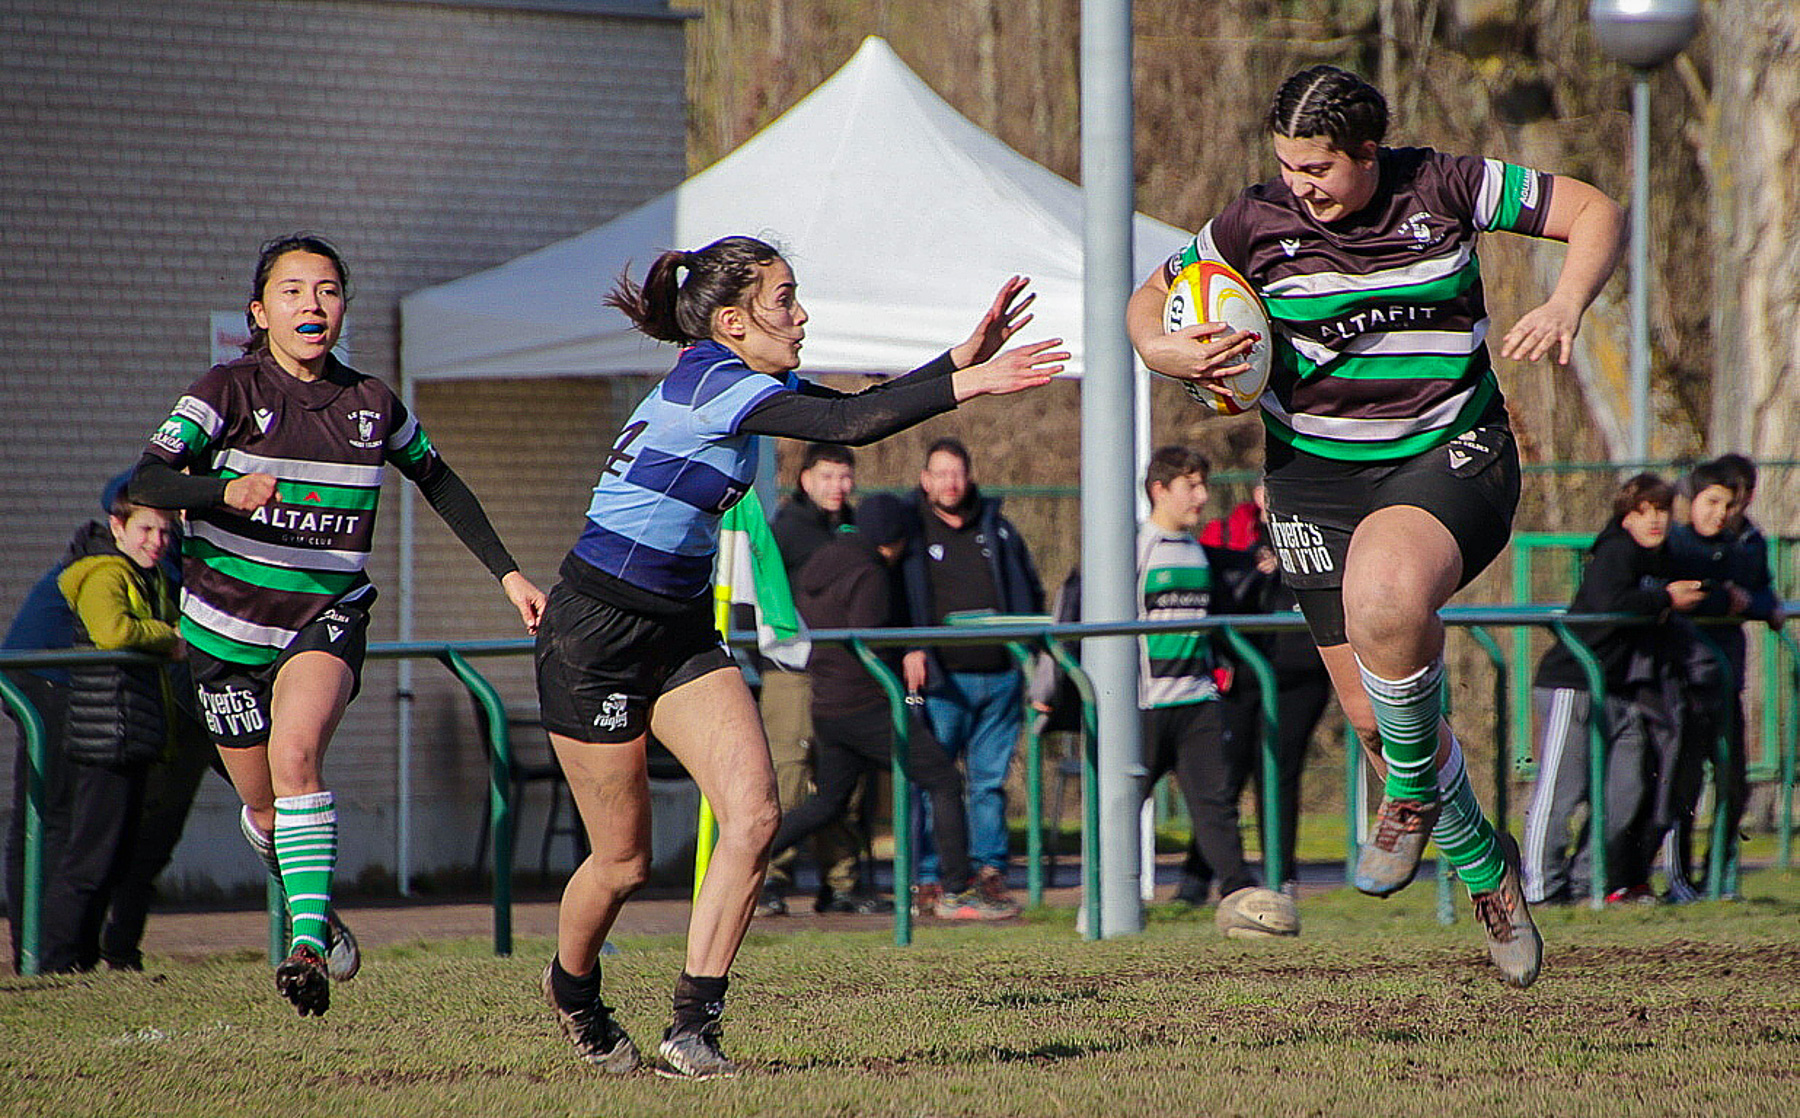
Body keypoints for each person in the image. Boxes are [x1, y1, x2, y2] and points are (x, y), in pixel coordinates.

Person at [1127, 64, 1625, 987]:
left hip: (1449, 452)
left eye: (1317, 168)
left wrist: (1565, 302)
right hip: (1312, 484)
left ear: (1368, 153)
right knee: (1377, 717)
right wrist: (1164, 347)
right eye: (1285, 166)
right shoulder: (1250, 223)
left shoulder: (1443, 185)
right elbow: (1150, 299)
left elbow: (1594, 209)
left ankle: (1403, 799)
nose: (1299, 186)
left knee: (1387, 600)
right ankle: (1487, 868)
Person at [532, 236, 1061, 1079]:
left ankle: (691, 1027)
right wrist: (973, 384)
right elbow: (849, 425)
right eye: (786, 300)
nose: (803, 314)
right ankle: (574, 989)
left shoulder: (746, 384)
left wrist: (961, 355)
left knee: (754, 816)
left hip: (674, 632)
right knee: (623, 860)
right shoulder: (712, 383)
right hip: (592, 636)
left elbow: (856, 407)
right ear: (734, 321)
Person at [130, 234, 547, 1016]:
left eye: (326, 291)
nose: (311, 305)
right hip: (221, 637)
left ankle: (308, 948)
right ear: (261, 311)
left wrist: (509, 572)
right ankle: (314, 901)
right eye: (292, 292)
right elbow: (145, 477)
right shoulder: (226, 390)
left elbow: (439, 479)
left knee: (297, 757)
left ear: (343, 306)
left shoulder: (371, 403)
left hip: (323, 616)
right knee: (265, 809)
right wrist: (221, 491)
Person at [774, 492, 1017, 921]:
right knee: (942, 779)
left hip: (827, 703)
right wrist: (901, 682)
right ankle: (957, 890)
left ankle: (752, 850)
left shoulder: (822, 563)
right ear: (895, 538)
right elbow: (869, 640)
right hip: (865, 704)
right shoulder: (869, 572)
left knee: (828, 801)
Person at [1521, 473, 1703, 906]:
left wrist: (1731, 596)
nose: (1655, 520)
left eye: (1662, 511)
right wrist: (1664, 601)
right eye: (1644, 512)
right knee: (1561, 791)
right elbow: (1610, 603)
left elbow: (1691, 591)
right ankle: (1539, 886)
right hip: (1574, 683)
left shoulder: (1662, 559)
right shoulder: (1615, 552)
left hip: (1623, 690)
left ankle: (1588, 882)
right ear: (1626, 517)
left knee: (1627, 792)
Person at [897, 438, 1044, 912]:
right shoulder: (910, 531)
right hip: (940, 684)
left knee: (988, 784)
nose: (950, 483)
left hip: (1000, 678)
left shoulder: (997, 527)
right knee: (933, 784)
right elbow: (895, 598)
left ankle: (989, 871)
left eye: (957, 473)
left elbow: (1029, 591)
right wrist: (911, 648)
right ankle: (929, 877)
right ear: (925, 480)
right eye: (940, 474)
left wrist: (1034, 656)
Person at [35, 495, 181, 972]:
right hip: (106, 733)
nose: (156, 542)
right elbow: (113, 631)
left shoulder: (147, 575)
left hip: (130, 728)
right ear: (118, 528)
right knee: (90, 860)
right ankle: (57, 964)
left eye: (164, 532)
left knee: (115, 859)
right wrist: (171, 637)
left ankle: (83, 963)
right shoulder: (105, 573)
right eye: (145, 531)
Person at [1195, 481, 1333, 902]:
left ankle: (1280, 875)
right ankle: (1201, 874)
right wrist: (1252, 563)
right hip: (1242, 673)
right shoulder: (1232, 532)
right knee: (1225, 773)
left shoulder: (1318, 530)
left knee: (1279, 771)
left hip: (1299, 673)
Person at [758, 442, 873, 917]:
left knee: (842, 779)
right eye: (827, 476)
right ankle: (768, 879)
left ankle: (841, 883)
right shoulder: (783, 532)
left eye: (844, 477)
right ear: (805, 479)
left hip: (846, 674)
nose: (838, 486)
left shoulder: (855, 530)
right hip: (792, 675)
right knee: (788, 774)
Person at [1660, 458, 1781, 900]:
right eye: (1714, 501)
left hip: (1727, 679)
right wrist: (1720, 598)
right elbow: (1679, 595)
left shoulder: (1745, 543)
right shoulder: (1675, 542)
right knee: (1683, 782)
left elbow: (1764, 594)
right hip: (1683, 680)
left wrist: (1750, 601)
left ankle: (1719, 877)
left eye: (1733, 502)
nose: (1725, 512)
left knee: (1733, 782)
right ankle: (1679, 881)